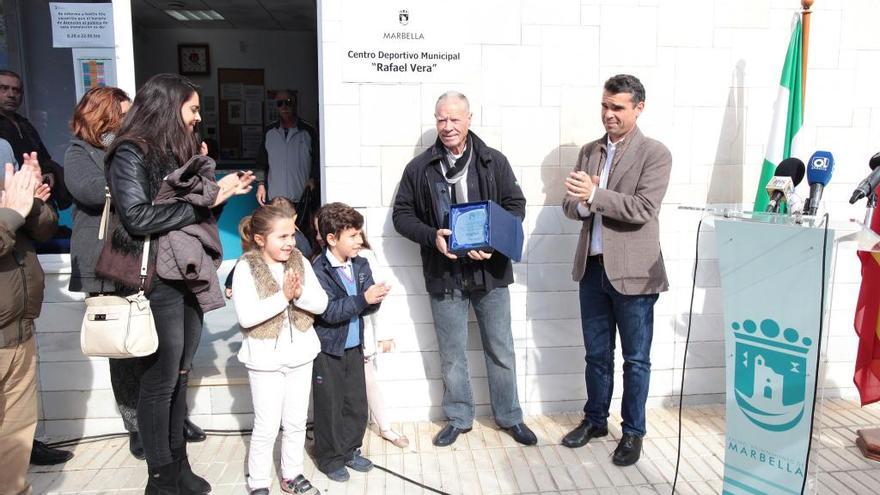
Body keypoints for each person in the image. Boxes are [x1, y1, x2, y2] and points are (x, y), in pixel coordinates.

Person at [104, 73, 254, 494]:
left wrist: (216, 198)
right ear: (169, 108)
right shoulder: (129, 152)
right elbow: (137, 218)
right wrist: (207, 200)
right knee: (160, 379)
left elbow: (195, 222)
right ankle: (160, 477)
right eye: (192, 108)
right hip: (154, 280)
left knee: (182, 374)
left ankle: (178, 465)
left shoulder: (175, 154)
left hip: (184, 274)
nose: (198, 116)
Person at [392, 91, 537, 448]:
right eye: (441, 119)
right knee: (452, 351)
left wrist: (493, 239)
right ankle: (459, 416)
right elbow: (401, 216)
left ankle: (510, 416)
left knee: (500, 348)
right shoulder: (420, 168)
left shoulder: (493, 162)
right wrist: (432, 237)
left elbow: (516, 205)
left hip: (491, 272)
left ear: (470, 119)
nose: (447, 126)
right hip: (445, 273)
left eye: (455, 119)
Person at [561, 74, 672, 466]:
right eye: (605, 106)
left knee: (636, 360)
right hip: (592, 270)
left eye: (618, 108)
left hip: (636, 274)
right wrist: (583, 203)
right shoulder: (590, 151)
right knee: (596, 355)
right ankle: (595, 421)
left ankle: (633, 432)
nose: (608, 114)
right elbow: (570, 206)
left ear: (638, 108)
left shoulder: (655, 153)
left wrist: (593, 195)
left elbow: (643, 208)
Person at [231, 200, 326, 495]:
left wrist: (299, 294)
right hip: (264, 360)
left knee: (296, 420)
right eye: (282, 237)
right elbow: (247, 316)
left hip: (301, 354)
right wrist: (284, 296)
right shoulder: (245, 267)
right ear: (260, 239)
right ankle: (259, 480)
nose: (290, 243)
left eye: (292, 236)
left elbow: (321, 303)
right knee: (267, 424)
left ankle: (292, 473)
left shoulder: (301, 261)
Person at [311, 202, 389, 482]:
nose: (359, 240)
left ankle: (349, 450)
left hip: (355, 347)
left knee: (356, 402)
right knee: (330, 405)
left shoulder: (361, 264)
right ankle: (329, 458)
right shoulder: (319, 269)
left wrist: (374, 299)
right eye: (353, 235)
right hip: (328, 350)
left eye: (359, 233)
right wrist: (362, 299)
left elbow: (364, 306)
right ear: (332, 239)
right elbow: (329, 312)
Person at [0, 154, 56, 493]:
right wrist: (12, 213)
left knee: (16, 436)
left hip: (20, 332)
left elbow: (46, 227)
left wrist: (31, 201)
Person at [357, 232, 409, 449]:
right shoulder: (321, 258)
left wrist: (385, 335)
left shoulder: (365, 257)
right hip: (335, 336)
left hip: (362, 332)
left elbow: (380, 295)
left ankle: (385, 427)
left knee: (369, 382)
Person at [0, 69, 71, 210]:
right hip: (10, 202)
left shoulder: (24, 124)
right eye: (4, 89)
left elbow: (43, 156)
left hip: (37, 198)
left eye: (16, 90)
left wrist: (50, 173)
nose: (11, 95)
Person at [255, 90, 318, 211]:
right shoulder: (269, 132)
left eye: (288, 102)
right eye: (280, 103)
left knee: (301, 230)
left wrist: (313, 178)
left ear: (295, 104)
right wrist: (261, 185)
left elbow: (318, 160)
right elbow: (261, 162)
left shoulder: (308, 131)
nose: (284, 106)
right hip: (276, 199)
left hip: (302, 198)